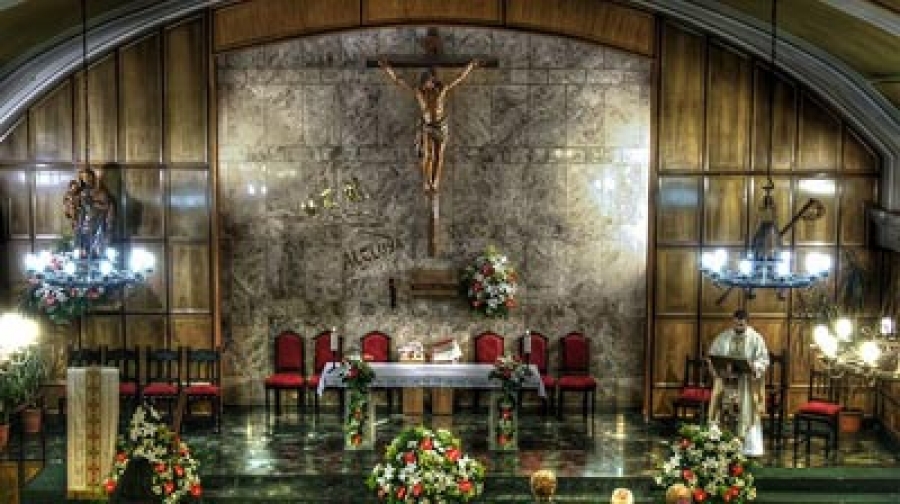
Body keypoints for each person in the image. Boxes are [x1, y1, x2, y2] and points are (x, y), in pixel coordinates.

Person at [378, 59, 481, 195]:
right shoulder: (419, 93)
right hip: (427, 127)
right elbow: (399, 80)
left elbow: (459, 78)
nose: (425, 85)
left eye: (428, 82)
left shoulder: (441, 91)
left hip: (441, 126)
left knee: (439, 156)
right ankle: (427, 182)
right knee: (428, 155)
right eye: (424, 83)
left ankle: (435, 182)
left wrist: (471, 66)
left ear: (432, 81)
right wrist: (387, 68)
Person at [707, 309, 770, 457]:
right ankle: (720, 444)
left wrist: (754, 367)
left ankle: (748, 448)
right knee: (722, 411)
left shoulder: (756, 338)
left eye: (741, 325)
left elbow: (764, 359)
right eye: (736, 324)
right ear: (733, 321)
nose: (738, 327)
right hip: (726, 381)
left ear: (747, 323)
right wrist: (720, 366)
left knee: (747, 411)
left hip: (746, 383)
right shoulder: (724, 337)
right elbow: (712, 356)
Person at [64, 166, 115, 258]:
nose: (86, 180)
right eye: (83, 178)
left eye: (88, 177)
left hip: (97, 222)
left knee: (95, 245)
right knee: (81, 244)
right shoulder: (79, 192)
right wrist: (71, 204)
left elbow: (108, 206)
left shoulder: (100, 192)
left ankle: (96, 257)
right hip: (82, 223)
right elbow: (72, 208)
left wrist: (93, 203)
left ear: (92, 177)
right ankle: (81, 259)